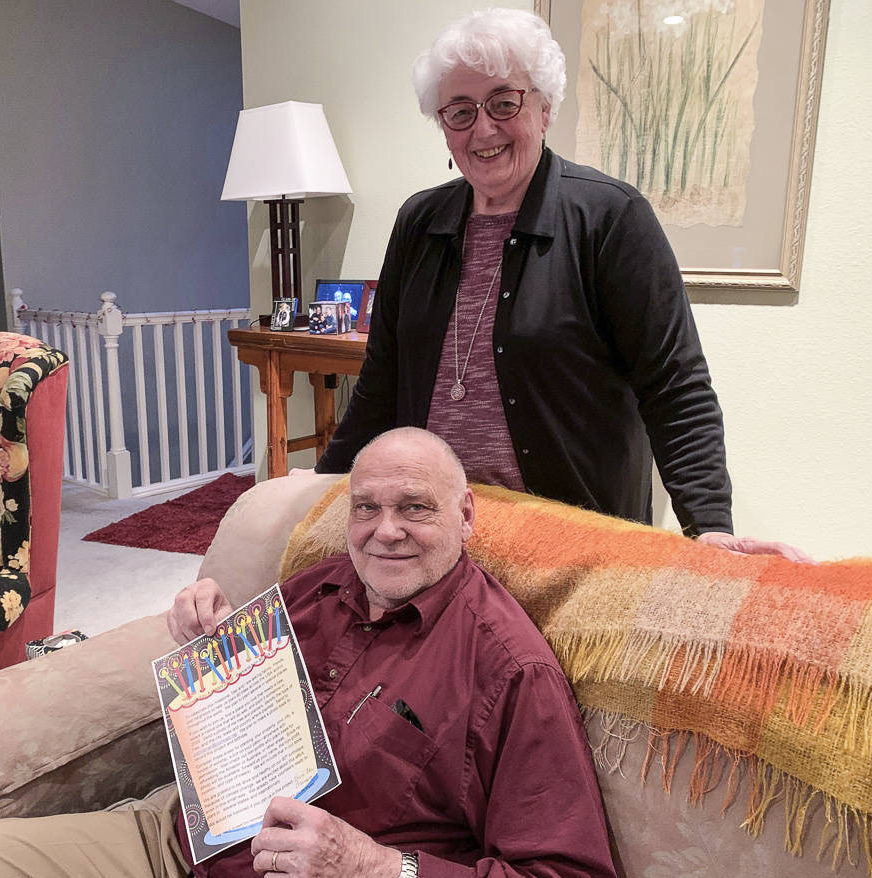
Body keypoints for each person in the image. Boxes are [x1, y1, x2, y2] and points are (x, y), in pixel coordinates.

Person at [0, 427, 617, 878]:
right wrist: (200, 635)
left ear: (464, 518)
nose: (385, 532)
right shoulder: (320, 585)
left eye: (416, 509)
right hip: (172, 839)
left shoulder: (508, 668)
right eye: (366, 508)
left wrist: (379, 874)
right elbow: (233, 706)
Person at [313, 8, 809, 562]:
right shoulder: (418, 222)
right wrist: (318, 491)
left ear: (544, 107)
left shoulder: (611, 217)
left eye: (505, 103)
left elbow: (674, 385)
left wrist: (709, 526)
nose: (483, 128)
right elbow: (382, 381)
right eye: (459, 111)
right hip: (432, 536)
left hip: (569, 540)